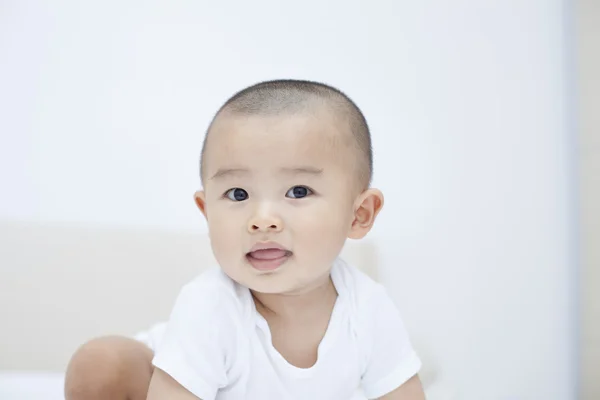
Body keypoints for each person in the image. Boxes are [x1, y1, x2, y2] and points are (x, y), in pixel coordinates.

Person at [64, 79, 425, 400]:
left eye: (298, 191)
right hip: (156, 383)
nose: (262, 220)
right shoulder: (208, 306)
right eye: (238, 194)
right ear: (207, 212)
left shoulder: (368, 308)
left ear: (359, 214)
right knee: (101, 365)